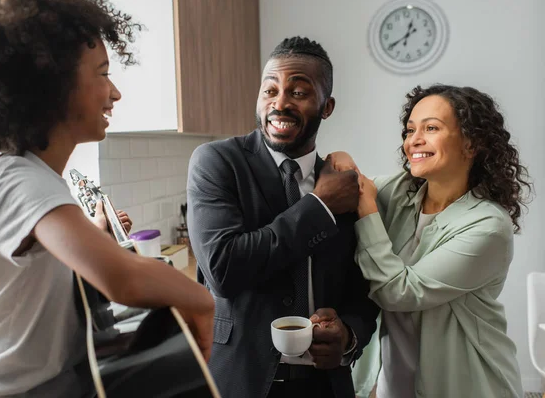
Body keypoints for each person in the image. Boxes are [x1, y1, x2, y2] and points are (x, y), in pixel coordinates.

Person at [0, 0, 214, 396]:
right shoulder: (13, 178)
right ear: (50, 84)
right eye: (103, 74)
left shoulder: (39, 180)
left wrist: (96, 237)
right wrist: (202, 299)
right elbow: (123, 279)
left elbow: (46, 289)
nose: (116, 93)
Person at [187, 36, 379, 398]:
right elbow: (223, 269)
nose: (279, 104)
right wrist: (319, 207)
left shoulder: (344, 182)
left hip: (325, 385)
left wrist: (349, 335)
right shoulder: (218, 162)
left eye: (299, 92)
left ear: (327, 106)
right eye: (269, 91)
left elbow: (363, 288)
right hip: (239, 380)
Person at [329, 84, 531, 398]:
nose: (414, 141)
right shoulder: (400, 191)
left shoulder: (488, 226)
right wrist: (340, 159)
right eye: (410, 130)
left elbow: (398, 292)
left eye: (431, 128)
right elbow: (349, 181)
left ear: (471, 143)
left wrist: (367, 207)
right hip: (395, 388)